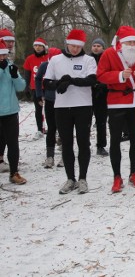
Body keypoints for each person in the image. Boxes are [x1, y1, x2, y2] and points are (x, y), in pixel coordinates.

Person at [43, 29, 97, 194]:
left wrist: (71, 81)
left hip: (83, 106)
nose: (75, 49)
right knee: (66, 143)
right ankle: (70, 178)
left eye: (78, 46)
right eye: (72, 46)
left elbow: (91, 80)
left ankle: (82, 178)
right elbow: (46, 81)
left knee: (83, 143)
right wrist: (59, 84)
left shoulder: (88, 60)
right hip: (62, 107)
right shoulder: (55, 60)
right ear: (67, 44)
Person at [97, 26, 135, 193]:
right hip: (117, 101)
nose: (133, 44)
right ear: (121, 43)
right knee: (115, 140)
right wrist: (120, 76)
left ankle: (133, 173)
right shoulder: (109, 54)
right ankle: (116, 176)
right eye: (129, 42)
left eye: (134, 41)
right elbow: (101, 75)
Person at [0, 39, 27, 184]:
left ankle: (14, 172)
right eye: (0, 56)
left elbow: (21, 87)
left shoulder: (10, 67)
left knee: (13, 143)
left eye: (4, 55)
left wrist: (15, 76)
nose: (3, 58)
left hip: (10, 111)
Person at [23, 37, 50, 137]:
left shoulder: (48, 57)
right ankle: (40, 129)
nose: (38, 48)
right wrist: (26, 87)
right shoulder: (30, 58)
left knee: (49, 109)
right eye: (36, 46)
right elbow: (27, 74)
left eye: (40, 46)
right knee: (38, 109)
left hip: (48, 87)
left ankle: (52, 128)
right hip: (36, 88)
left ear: (44, 47)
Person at [89, 38, 109, 156]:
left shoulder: (106, 59)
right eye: (94, 45)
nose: (96, 48)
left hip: (102, 94)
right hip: (87, 93)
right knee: (86, 121)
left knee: (101, 121)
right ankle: (85, 144)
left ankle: (101, 146)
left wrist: (103, 85)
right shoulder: (87, 59)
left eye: (98, 46)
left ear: (103, 48)